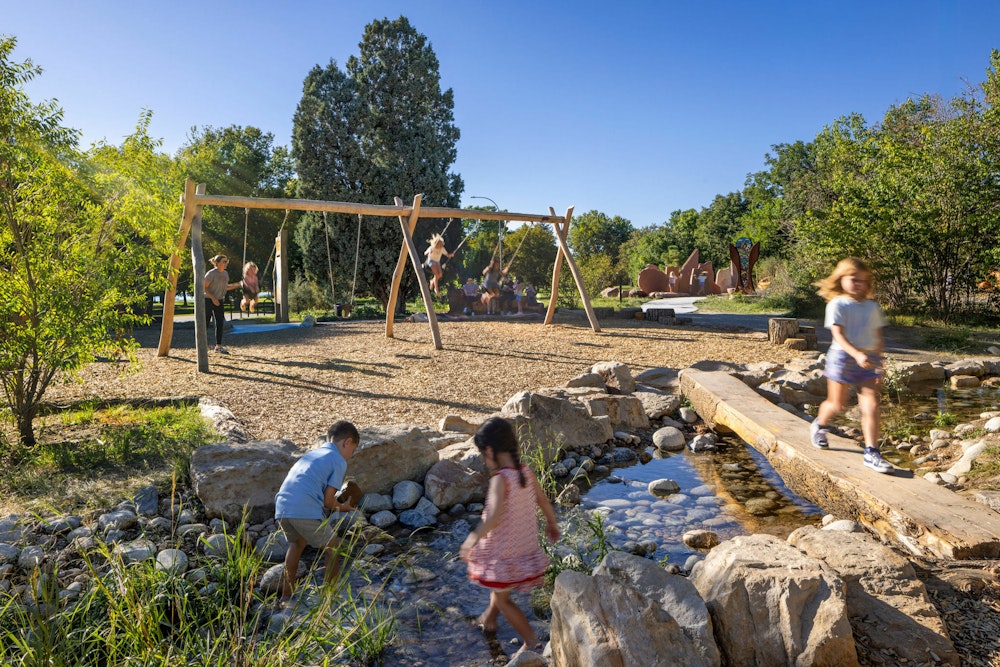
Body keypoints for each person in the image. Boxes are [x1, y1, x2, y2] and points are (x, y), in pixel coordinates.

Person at [460, 417, 560, 658]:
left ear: (490, 450)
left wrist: (472, 539)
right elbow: (543, 500)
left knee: (503, 598)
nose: (484, 461)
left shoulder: (500, 480)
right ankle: (489, 620)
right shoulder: (524, 471)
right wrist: (551, 523)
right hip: (524, 548)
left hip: (504, 552)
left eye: (483, 455)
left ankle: (531, 642)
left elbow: (493, 518)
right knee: (499, 591)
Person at [810, 258, 893, 474]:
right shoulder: (837, 304)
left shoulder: (871, 306)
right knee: (838, 404)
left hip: (867, 359)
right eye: (854, 279)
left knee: (872, 405)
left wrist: (880, 363)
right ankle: (820, 424)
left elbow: (878, 336)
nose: (858, 284)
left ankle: (872, 451)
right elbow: (838, 334)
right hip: (842, 357)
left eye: (863, 281)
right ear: (841, 279)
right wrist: (856, 354)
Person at [274, 420, 361, 605]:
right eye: (352, 451)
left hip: (282, 506)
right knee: (334, 548)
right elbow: (328, 501)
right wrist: (344, 507)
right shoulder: (338, 460)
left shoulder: (312, 455)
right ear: (347, 442)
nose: (350, 456)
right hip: (303, 509)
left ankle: (286, 597)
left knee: (297, 545)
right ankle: (329, 599)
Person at [204, 255, 241, 353]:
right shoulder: (210, 274)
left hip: (219, 300)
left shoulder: (225, 274)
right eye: (224, 261)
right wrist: (213, 298)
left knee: (220, 323)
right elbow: (204, 288)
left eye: (226, 261)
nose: (226, 263)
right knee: (205, 323)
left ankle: (218, 346)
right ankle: (202, 346)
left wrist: (238, 284)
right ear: (217, 263)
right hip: (208, 300)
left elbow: (226, 287)